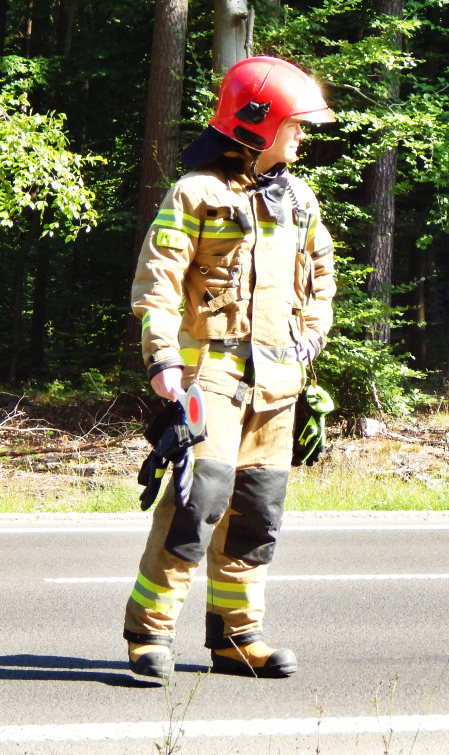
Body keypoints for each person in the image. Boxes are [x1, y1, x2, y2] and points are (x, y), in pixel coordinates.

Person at [123, 56, 337, 680]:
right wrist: (162, 359)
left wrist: (312, 337)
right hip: (209, 378)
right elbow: (155, 285)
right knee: (196, 503)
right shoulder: (195, 194)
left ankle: (236, 638)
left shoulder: (299, 198)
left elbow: (322, 278)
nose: (302, 136)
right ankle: (149, 635)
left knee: (256, 515)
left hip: (278, 387)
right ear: (258, 124)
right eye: (295, 125)